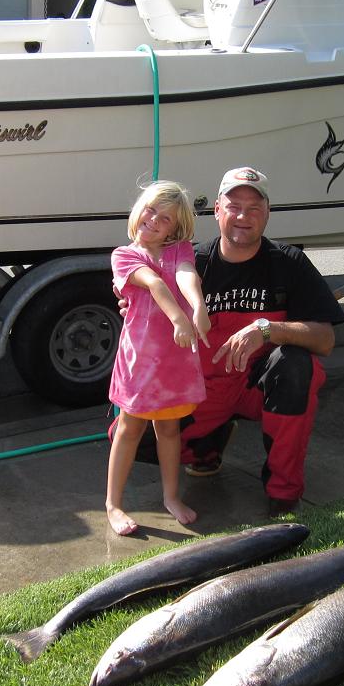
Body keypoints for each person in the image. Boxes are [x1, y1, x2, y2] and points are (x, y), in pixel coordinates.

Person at [183, 166, 344, 513]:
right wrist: (126, 297)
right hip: (206, 389)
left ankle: (283, 493)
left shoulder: (289, 263)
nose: (244, 216)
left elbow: (325, 339)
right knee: (132, 436)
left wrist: (268, 329)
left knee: (297, 366)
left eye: (255, 208)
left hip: (260, 387)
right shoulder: (192, 263)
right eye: (234, 206)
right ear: (216, 210)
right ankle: (208, 444)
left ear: (268, 213)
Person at [104, 180, 211, 537]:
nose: (154, 221)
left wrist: (198, 306)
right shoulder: (125, 255)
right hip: (140, 362)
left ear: (175, 227)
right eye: (151, 210)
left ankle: (170, 496)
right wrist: (180, 319)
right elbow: (154, 284)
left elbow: (185, 276)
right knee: (128, 429)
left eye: (165, 219)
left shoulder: (180, 249)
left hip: (174, 362)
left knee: (169, 429)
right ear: (139, 209)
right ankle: (113, 504)